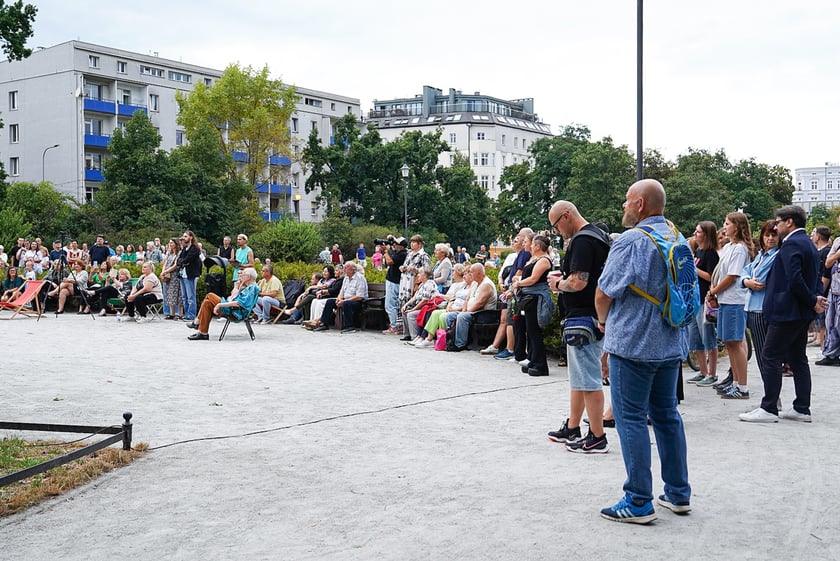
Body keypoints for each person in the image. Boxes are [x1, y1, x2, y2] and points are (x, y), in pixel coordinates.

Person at [594, 178, 691, 524]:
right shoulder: (678, 237)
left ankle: (637, 501)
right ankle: (678, 492)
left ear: (640, 204)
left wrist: (603, 323)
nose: (623, 205)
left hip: (633, 343)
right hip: (669, 342)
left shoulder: (633, 241)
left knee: (630, 418)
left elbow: (604, 293)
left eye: (626, 200)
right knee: (666, 415)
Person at [740, 206, 827, 423]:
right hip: (799, 311)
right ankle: (801, 408)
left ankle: (769, 408)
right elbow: (814, 276)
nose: (776, 226)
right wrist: (814, 299)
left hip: (786, 310)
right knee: (798, 359)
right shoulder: (808, 243)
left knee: (770, 356)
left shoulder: (791, 244)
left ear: (789, 222)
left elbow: (794, 279)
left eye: (778, 222)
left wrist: (812, 300)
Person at [546, 202, 610, 452]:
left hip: (583, 317)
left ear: (566, 216)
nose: (558, 231)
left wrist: (557, 285)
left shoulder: (583, 240)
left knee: (589, 380)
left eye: (556, 225)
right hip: (591, 316)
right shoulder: (598, 235)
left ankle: (597, 436)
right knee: (580, 377)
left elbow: (579, 281)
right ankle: (573, 426)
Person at [704, 213, 753, 397]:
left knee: (735, 342)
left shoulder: (740, 249)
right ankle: (734, 381)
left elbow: (732, 276)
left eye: (727, 223)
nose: (724, 227)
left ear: (737, 226)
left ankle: (742, 386)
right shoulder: (729, 247)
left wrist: (713, 291)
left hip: (735, 300)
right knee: (729, 343)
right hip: (725, 300)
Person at [730, 220, 779, 398]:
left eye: (774, 235)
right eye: (767, 235)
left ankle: (772, 398)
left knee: (765, 356)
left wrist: (747, 280)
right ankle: (771, 396)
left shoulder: (776, 255)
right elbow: (745, 272)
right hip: (751, 306)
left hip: (762, 308)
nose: (771, 238)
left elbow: (759, 277)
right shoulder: (761, 255)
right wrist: (746, 280)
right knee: (762, 356)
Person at [513, 234, 555, 377]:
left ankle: (541, 365)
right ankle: (532, 359)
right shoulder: (533, 258)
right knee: (529, 331)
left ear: (537, 246)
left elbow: (533, 279)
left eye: (532, 244)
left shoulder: (544, 260)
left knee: (534, 331)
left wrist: (518, 283)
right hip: (528, 296)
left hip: (536, 298)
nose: (529, 246)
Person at [685, 221, 720, 385]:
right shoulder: (698, 251)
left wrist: (693, 267)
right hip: (694, 299)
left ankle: (712, 373)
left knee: (708, 338)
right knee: (696, 338)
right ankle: (702, 370)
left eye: (698, 231)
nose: (695, 233)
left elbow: (711, 277)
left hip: (704, 300)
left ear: (706, 234)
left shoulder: (710, 253)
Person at [187, 267, 260, 340]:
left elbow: (239, 303)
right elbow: (235, 297)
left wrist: (219, 305)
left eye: (243, 275)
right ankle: (203, 333)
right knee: (207, 303)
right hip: (234, 309)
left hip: (235, 312)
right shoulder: (249, 287)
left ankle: (196, 322)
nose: (241, 276)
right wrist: (239, 286)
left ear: (248, 277)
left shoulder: (252, 288)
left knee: (210, 295)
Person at [445, 263, 498, 351]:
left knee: (462, 317)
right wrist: (464, 310)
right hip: (472, 311)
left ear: (479, 273)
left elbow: (480, 303)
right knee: (449, 316)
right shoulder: (474, 283)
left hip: (484, 314)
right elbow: (467, 299)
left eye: (471, 272)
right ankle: (451, 340)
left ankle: (460, 344)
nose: (469, 274)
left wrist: (465, 313)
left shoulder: (486, 284)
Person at [312, 262, 368, 333]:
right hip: (346, 300)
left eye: (345, 268)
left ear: (351, 270)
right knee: (330, 302)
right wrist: (339, 299)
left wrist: (344, 301)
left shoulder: (360, 279)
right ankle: (324, 324)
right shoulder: (346, 278)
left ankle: (349, 327)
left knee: (346, 304)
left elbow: (359, 296)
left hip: (358, 302)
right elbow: (342, 292)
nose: (344, 270)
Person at [382, 237, 407, 335]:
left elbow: (389, 261)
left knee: (390, 305)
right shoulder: (398, 253)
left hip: (394, 282)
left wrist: (385, 251)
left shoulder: (402, 254)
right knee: (393, 305)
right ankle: (396, 325)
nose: (394, 245)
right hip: (393, 281)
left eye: (396, 244)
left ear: (401, 246)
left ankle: (394, 326)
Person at [177, 230, 202, 321]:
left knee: (191, 296)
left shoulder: (194, 248)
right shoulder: (184, 249)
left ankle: (191, 315)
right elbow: (179, 260)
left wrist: (183, 261)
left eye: (186, 236)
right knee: (184, 296)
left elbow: (188, 259)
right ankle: (186, 313)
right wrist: (182, 262)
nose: (184, 238)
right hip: (182, 274)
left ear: (191, 237)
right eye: (183, 236)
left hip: (190, 274)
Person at [160, 238, 182, 319]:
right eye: (169, 243)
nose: (170, 244)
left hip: (175, 274)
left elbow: (176, 265)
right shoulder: (169, 253)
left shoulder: (179, 253)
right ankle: (171, 313)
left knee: (178, 294)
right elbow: (165, 263)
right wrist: (163, 271)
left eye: (172, 243)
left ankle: (180, 313)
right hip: (168, 274)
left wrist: (166, 271)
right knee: (169, 293)